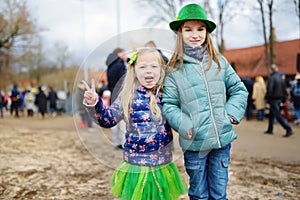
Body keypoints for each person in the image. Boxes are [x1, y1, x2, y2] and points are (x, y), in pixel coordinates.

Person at [162, 3, 248, 199]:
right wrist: (184, 123)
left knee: (218, 194)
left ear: (207, 33)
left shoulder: (219, 62)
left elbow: (238, 89)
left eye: (200, 29)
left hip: (221, 141)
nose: (195, 34)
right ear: (180, 33)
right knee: (199, 194)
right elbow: (169, 104)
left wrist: (231, 113)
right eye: (188, 29)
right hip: (195, 144)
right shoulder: (174, 69)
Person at [82, 48, 187, 200]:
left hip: (162, 163)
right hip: (136, 163)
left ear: (161, 69)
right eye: (142, 67)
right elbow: (108, 119)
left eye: (153, 66)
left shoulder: (167, 93)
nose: (148, 71)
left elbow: (179, 117)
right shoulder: (127, 95)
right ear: (134, 70)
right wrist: (95, 104)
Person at [106, 47, 128, 149]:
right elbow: (125, 81)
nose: (125, 56)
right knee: (123, 119)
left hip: (112, 94)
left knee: (114, 118)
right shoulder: (120, 65)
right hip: (121, 94)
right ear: (118, 54)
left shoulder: (109, 66)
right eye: (123, 54)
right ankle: (124, 142)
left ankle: (116, 142)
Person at [264, 64, 293, 137]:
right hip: (279, 99)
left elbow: (269, 89)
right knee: (272, 114)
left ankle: (288, 129)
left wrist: (267, 98)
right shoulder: (281, 78)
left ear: (271, 70)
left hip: (273, 98)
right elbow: (284, 90)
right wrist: (284, 99)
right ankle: (270, 129)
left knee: (277, 115)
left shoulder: (271, 78)